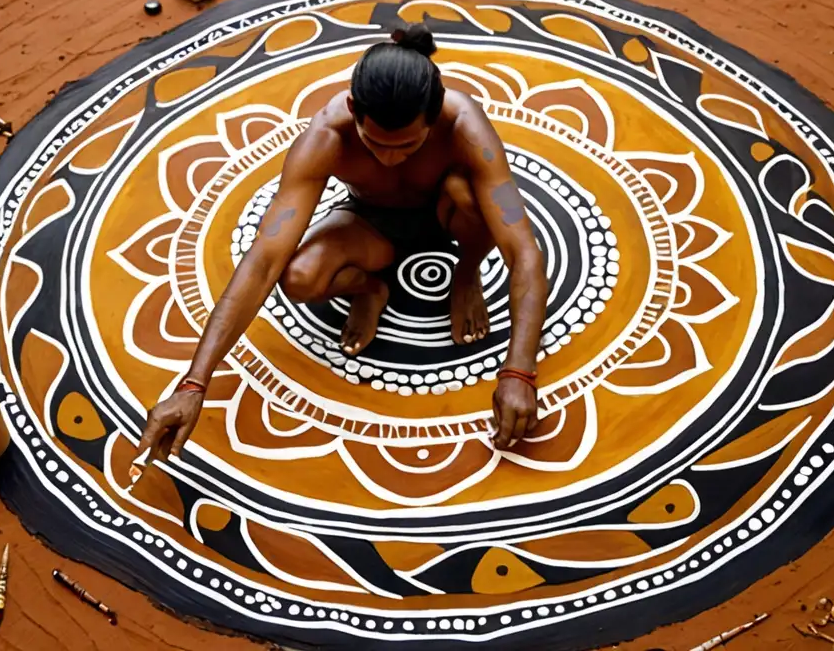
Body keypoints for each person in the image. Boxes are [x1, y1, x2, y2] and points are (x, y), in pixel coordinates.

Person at [133, 24, 548, 468]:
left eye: (408, 145)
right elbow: (264, 260)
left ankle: (465, 276)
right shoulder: (326, 136)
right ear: (353, 109)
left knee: (469, 195)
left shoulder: (464, 124)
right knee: (299, 278)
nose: (389, 157)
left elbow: (523, 250)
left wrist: (519, 371)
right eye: (374, 144)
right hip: (372, 225)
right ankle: (371, 289)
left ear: (434, 115)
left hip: (453, 215)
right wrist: (194, 383)